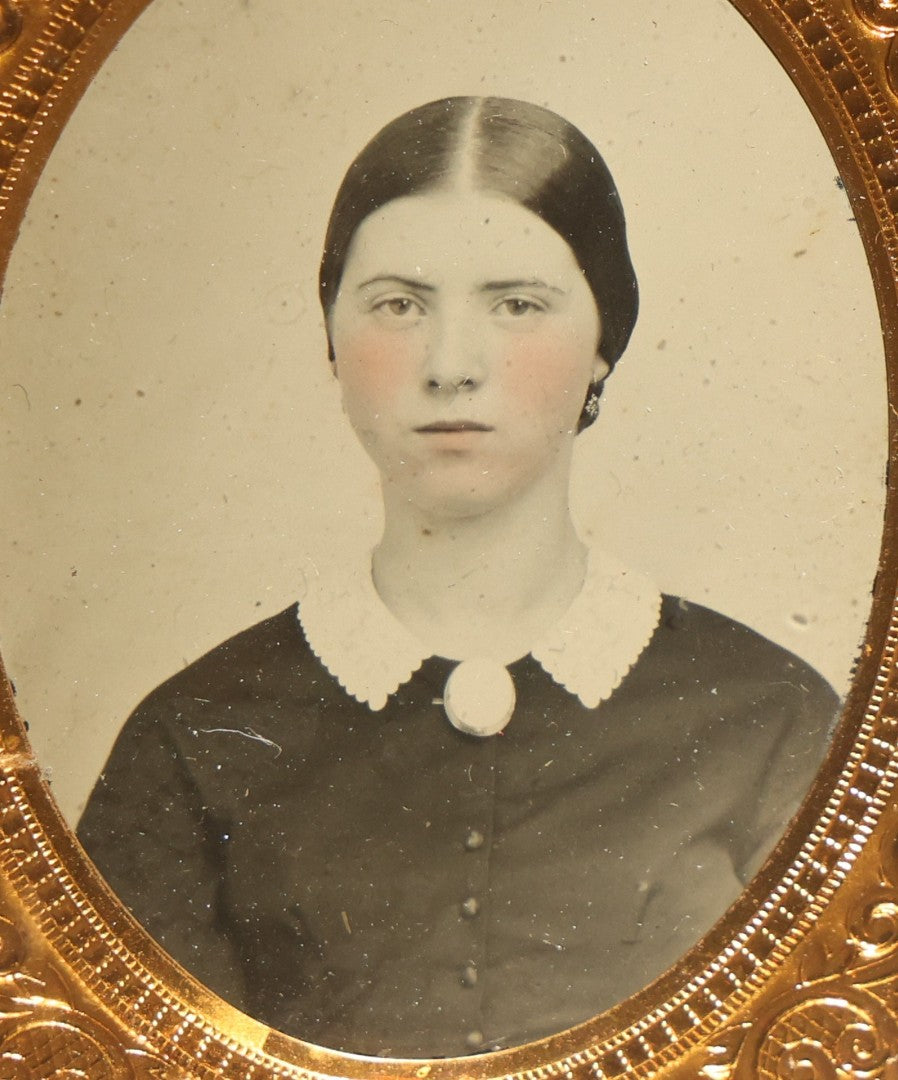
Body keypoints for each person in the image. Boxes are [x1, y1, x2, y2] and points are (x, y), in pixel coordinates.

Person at [77, 97, 838, 1059]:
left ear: (604, 339)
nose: (451, 365)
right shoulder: (192, 739)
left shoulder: (775, 722)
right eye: (399, 304)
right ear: (331, 338)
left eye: (517, 304)